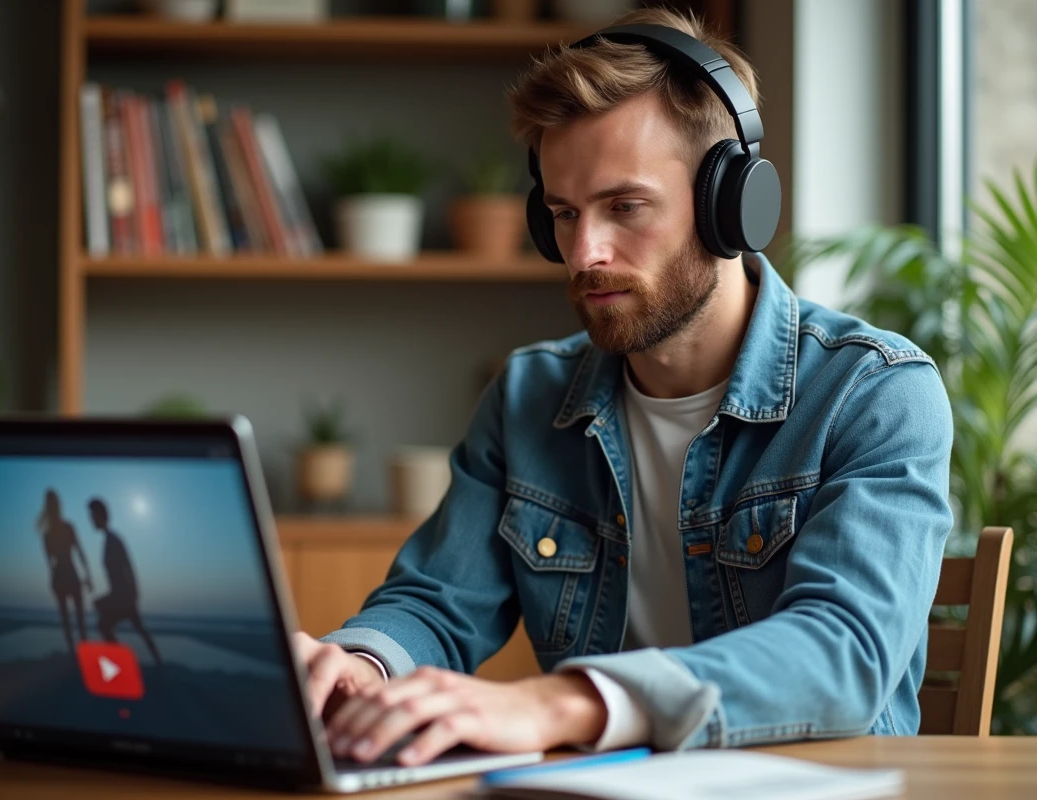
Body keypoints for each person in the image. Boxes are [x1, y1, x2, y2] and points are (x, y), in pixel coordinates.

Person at [293, 7, 953, 767]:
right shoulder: (527, 395)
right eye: (562, 215)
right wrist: (363, 664)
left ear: (731, 204)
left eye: (624, 207)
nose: (584, 253)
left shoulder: (873, 394)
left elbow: (843, 653)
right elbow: (438, 601)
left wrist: (564, 703)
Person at [88, 497, 162, 665]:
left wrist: (133, 593)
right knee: (137, 628)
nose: (91, 520)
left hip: (123, 596)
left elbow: (127, 566)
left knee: (105, 625)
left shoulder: (113, 540)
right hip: (121, 594)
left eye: (93, 516)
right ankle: (157, 663)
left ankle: (124, 662)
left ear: (100, 516)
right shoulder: (109, 539)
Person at [37, 489, 93, 653]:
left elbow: (50, 562)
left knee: (68, 619)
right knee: (78, 618)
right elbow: (79, 552)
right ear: (59, 506)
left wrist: (87, 575)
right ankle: (80, 651)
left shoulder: (48, 533)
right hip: (68, 573)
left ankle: (74, 651)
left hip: (60, 575)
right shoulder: (64, 528)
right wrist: (88, 575)